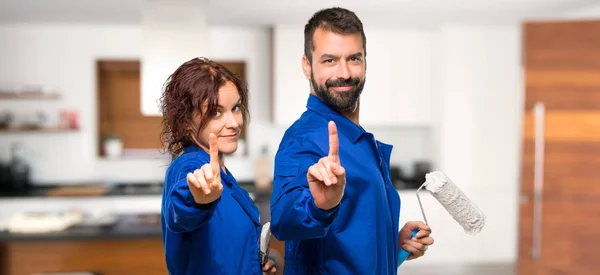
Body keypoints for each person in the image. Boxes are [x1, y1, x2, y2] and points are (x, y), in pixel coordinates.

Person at [269, 7, 434, 274]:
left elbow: (350, 248)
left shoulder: (358, 142)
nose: (344, 73)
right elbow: (284, 220)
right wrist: (319, 205)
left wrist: (394, 246)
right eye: (329, 60)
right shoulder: (305, 139)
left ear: (365, 62)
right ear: (307, 66)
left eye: (354, 58)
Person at [160, 57, 276, 275]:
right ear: (186, 121)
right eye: (216, 112)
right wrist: (198, 201)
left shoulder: (222, 174)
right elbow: (182, 208)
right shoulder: (191, 166)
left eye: (236, 108)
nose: (234, 123)